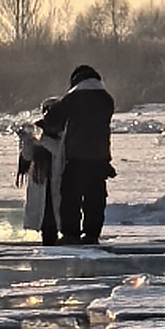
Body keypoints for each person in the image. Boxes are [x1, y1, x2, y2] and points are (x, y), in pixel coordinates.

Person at [40, 65, 115, 244]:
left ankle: (71, 233)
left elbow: (54, 118)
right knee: (95, 198)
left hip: (76, 157)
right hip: (99, 157)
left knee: (71, 197)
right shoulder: (106, 99)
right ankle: (92, 234)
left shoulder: (73, 98)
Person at [17, 101, 62, 245]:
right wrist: (27, 141)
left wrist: (42, 139)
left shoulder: (64, 132)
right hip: (41, 181)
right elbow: (27, 157)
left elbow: (59, 152)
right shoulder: (40, 132)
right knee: (45, 220)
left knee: (56, 218)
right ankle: (48, 245)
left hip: (57, 183)